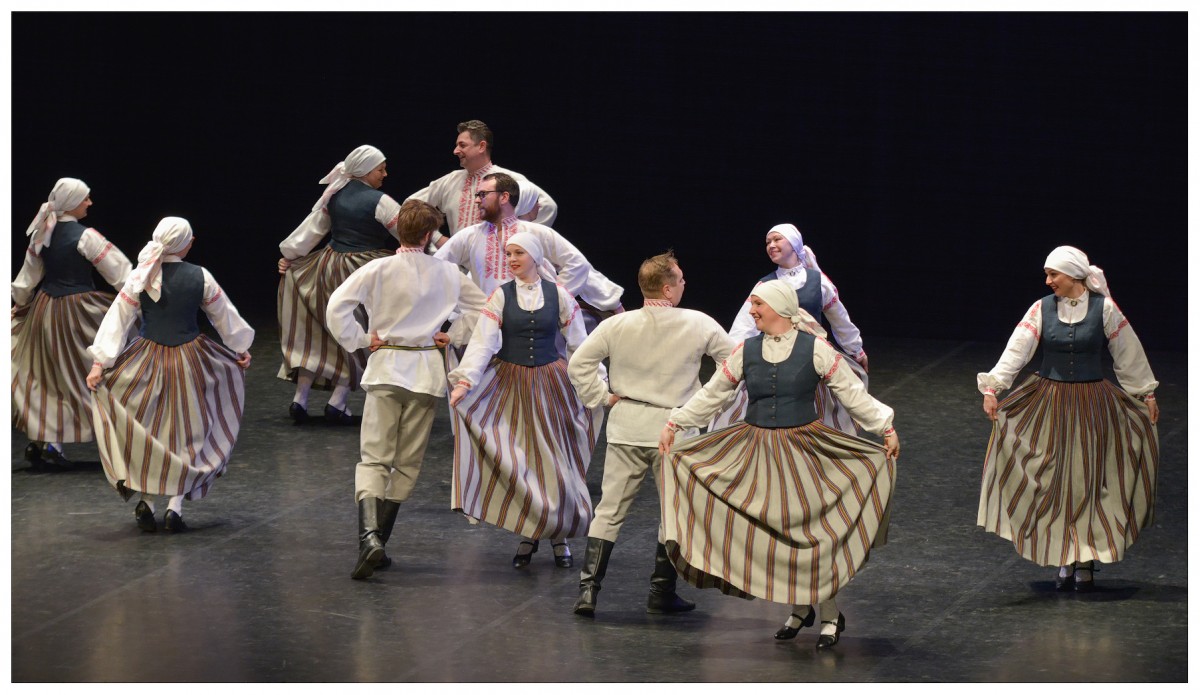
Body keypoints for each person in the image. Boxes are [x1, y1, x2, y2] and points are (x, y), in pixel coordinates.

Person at [658, 280, 899, 649]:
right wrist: (676, 423)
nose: (752, 311)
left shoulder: (815, 349)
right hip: (756, 450)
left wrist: (885, 426)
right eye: (753, 304)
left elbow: (852, 394)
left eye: (759, 305)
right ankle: (801, 609)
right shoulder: (746, 351)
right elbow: (713, 394)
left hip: (803, 450)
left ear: (780, 308)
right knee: (775, 533)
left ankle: (830, 614)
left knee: (811, 534)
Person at [976, 246, 1159, 592]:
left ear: (1073, 275)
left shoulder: (1104, 309)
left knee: (1087, 479)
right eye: (1047, 274)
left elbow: (1128, 353)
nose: (1048, 281)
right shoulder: (1042, 308)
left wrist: (1145, 393)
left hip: (1092, 403)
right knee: (1054, 480)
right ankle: (1063, 553)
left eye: (1053, 274)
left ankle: (1085, 558)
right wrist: (993, 387)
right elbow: (1018, 349)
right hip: (1050, 401)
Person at [325, 199, 488, 580]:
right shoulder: (448, 272)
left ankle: (370, 539)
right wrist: (453, 334)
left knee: (374, 458)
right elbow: (485, 309)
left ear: (400, 231)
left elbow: (337, 307)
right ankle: (377, 540)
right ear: (429, 234)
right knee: (407, 462)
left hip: (387, 368)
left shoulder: (378, 269)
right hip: (425, 373)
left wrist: (360, 339)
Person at [567, 251, 733, 616]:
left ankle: (588, 591)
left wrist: (601, 397)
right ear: (667, 288)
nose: (684, 284)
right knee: (672, 513)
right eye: (680, 279)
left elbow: (578, 365)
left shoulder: (617, 325)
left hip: (627, 426)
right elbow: (734, 364)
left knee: (609, 509)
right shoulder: (698, 323)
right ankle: (661, 592)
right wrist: (707, 402)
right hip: (674, 432)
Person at [86, 217, 253, 532]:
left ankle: (148, 501)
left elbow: (118, 319)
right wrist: (240, 346)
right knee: (188, 431)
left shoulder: (141, 275)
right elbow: (223, 314)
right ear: (185, 243)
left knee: (150, 430)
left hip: (147, 359)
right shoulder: (200, 276)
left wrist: (100, 363)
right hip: (189, 358)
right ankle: (173, 508)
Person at [447, 232, 600, 569]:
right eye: (509, 254)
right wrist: (465, 381)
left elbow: (580, 344)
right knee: (523, 461)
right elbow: (483, 342)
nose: (512, 259)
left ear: (534, 257)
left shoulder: (559, 295)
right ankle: (530, 532)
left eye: (519, 253)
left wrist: (597, 382)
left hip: (550, 383)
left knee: (556, 461)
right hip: (511, 383)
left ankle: (558, 535)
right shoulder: (501, 296)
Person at [12, 178, 133, 470]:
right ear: (71, 203)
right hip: (79, 311)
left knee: (49, 377)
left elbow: (28, 276)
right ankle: (115, 439)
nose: (90, 203)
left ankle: (46, 440)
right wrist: (135, 296)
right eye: (85, 199)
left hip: (46, 309)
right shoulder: (85, 236)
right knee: (94, 370)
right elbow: (119, 272)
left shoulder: (43, 233)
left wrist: (21, 301)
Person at [277, 144, 400, 424]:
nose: (385, 174)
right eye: (380, 170)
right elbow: (409, 231)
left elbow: (312, 229)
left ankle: (300, 398)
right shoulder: (380, 201)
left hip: (328, 265)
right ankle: (338, 401)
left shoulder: (335, 193)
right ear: (366, 171)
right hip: (363, 268)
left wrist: (290, 255)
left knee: (320, 333)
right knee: (360, 330)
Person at [714, 223, 868, 432]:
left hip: (811, 355)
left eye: (777, 239)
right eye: (768, 242)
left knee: (818, 409)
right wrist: (731, 358)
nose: (771, 245)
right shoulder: (764, 286)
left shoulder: (818, 282)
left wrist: (856, 350)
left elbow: (839, 318)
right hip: (774, 354)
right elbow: (744, 325)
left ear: (794, 244)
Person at [406, 119, 557, 247]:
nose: (455, 151)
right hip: (458, 265)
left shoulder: (509, 179)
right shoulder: (450, 181)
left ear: (481, 146)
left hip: (498, 263)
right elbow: (411, 205)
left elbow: (547, 206)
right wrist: (437, 238)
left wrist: (520, 241)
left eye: (462, 145)